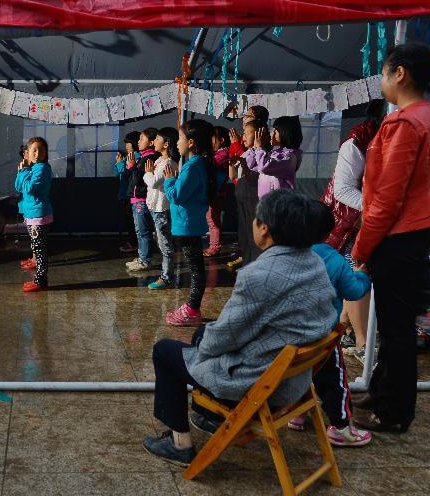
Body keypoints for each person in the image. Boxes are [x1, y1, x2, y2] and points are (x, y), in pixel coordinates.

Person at [143, 189, 336, 466]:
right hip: (293, 381)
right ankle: (210, 415)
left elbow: (222, 337)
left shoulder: (259, 276)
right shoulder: (315, 264)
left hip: (261, 385)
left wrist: (204, 350)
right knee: (200, 335)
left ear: (265, 229)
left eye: (256, 220)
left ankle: (179, 443)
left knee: (165, 351)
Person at [352, 43, 430, 434]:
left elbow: (386, 198)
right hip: (415, 229)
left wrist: (361, 248)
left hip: (397, 235)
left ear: (400, 74)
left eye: (382, 73)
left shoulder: (404, 124)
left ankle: (394, 412)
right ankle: (380, 390)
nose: (381, 81)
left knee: (395, 329)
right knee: (394, 324)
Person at [288, 202, 372, 447]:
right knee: (335, 381)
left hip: (291, 335)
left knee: (298, 373)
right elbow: (354, 291)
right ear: (329, 231)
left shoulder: (288, 256)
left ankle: (296, 413)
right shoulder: (334, 260)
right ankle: (341, 427)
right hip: (322, 338)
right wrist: (364, 275)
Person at [321, 99, 385, 362]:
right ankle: (362, 343)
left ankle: (343, 331)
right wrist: (378, 210)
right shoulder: (356, 144)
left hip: (369, 221)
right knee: (358, 276)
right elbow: (343, 190)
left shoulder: (392, 141)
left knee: (357, 276)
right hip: (348, 223)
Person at [163, 120, 213, 326]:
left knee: (195, 269)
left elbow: (177, 195)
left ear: (191, 142)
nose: (177, 143)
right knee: (196, 268)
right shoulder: (197, 164)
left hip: (188, 225)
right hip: (188, 223)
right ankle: (192, 308)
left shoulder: (192, 166)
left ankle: (192, 309)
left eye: (180, 139)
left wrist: (169, 180)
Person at [228, 107, 268, 268]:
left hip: (253, 197)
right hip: (242, 195)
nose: (243, 136)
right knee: (244, 232)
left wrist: (245, 165)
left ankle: (257, 264)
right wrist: (233, 164)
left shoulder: (262, 152)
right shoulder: (246, 152)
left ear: (259, 134)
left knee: (255, 234)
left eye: (247, 132)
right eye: (243, 132)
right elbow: (234, 176)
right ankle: (247, 261)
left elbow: (256, 172)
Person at [142, 127, 179, 290]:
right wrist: (149, 173)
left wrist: (147, 173)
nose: (155, 141)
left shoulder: (169, 163)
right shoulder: (158, 160)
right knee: (161, 241)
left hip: (161, 208)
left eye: (158, 139)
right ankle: (166, 273)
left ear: (166, 144)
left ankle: (166, 277)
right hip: (154, 207)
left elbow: (152, 182)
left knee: (165, 244)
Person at [15, 137, 53, 292]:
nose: (37, 154)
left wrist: (23, 171)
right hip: (32, 214)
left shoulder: (42, 168)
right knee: (37, 247)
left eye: (41, 150)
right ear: (27, 153)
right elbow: (18, 187)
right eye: (34, 150)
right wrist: (22, 171)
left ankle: (40, 281)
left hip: (39, 215)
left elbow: (30, 188)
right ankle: (39, 279)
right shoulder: (32, 167)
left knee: (40, 250)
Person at [123, 127, 159, 272]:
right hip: (135, 199)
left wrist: (132, 168)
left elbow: (140, 179)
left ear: (151, 142)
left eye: (142, 139)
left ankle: (145, 260)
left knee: (143, 231)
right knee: (139, 231)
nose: (138, 141)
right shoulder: (143, 157)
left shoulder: (149, 158)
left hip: (141, 200)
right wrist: (130, 167)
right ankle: (142, 257)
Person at [243, 115, 303, 196]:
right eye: (272, 130)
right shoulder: (274, 153)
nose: (271, 133)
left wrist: (259, 148)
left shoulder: (289, 158)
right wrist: (254, 149)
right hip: (268, 202)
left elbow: (264, 167)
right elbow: (251, 165)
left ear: (285, 133)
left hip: (280, 203)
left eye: (275, 131)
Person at [204, 125, 230, 258]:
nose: (210, 143)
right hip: (215, 191)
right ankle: (214, 244)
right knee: (212, 218)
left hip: (217, 193)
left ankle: (215, 246)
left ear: (222, 140)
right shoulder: (218, 153)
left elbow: (211, 164)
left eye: (213, 139)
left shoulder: (223, 153)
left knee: (213, 219)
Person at [115, 131, 141, 254]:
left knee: (132, 221)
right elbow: (119, 173)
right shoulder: (129, 156)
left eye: (128, 142)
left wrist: (120, 163)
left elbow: (126, 173)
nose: (126, 145)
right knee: (129, 220)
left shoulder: (135, 156)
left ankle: (134, 243)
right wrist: (120, 162)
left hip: (130, 195)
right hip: (125, 193)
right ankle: (133, 242)